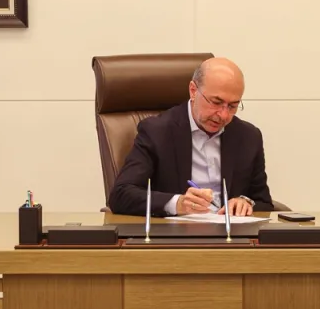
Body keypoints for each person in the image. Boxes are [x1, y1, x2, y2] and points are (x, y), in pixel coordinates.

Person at [108, 57, 275, 217]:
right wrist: (177, 204)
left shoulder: (248, 137)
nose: (223, 115)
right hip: (176, 233)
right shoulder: (156, 132)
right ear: (193, 91)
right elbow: (121, 195)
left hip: (232, 233)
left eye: (232, 106)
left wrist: (245, 202)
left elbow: (263, 202)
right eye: (216, 102)